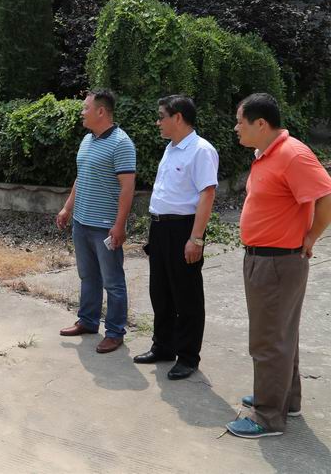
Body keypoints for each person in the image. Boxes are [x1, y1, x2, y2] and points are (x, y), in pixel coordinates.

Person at [226, 93, 331, 438]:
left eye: (240, 121)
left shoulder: (292, 154)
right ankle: (287, 399)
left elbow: (326, 197)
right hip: (266, 259)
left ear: (261, 123)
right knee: (281, 335)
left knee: (268, 340)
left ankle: (268, 415)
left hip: (276, 262)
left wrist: (311, 237)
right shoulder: (267, 155)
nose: (236, 127)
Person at [133, 95, 218, 380]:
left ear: (178, 117)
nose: (158, 122)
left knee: (186, 295)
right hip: (160, 228)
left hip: (184, 229)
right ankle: (163, 346)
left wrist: (196, 238)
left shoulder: (201, 150)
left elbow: (207, 194)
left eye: (161, 116)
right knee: (161, 291)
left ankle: (188, 356)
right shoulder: (171, 148)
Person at [57, 89, 136, 353]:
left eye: (86, 108)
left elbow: (127, 188)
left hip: (105, 226)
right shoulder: (87, 140)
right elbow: (81, 177)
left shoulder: (121, 143)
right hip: (81, 223)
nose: (82, 112)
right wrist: (67, 208)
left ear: (101, 111)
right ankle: (88, 321)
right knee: (88, 276)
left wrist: (119, 225)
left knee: (113, 282)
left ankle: (115, 332)